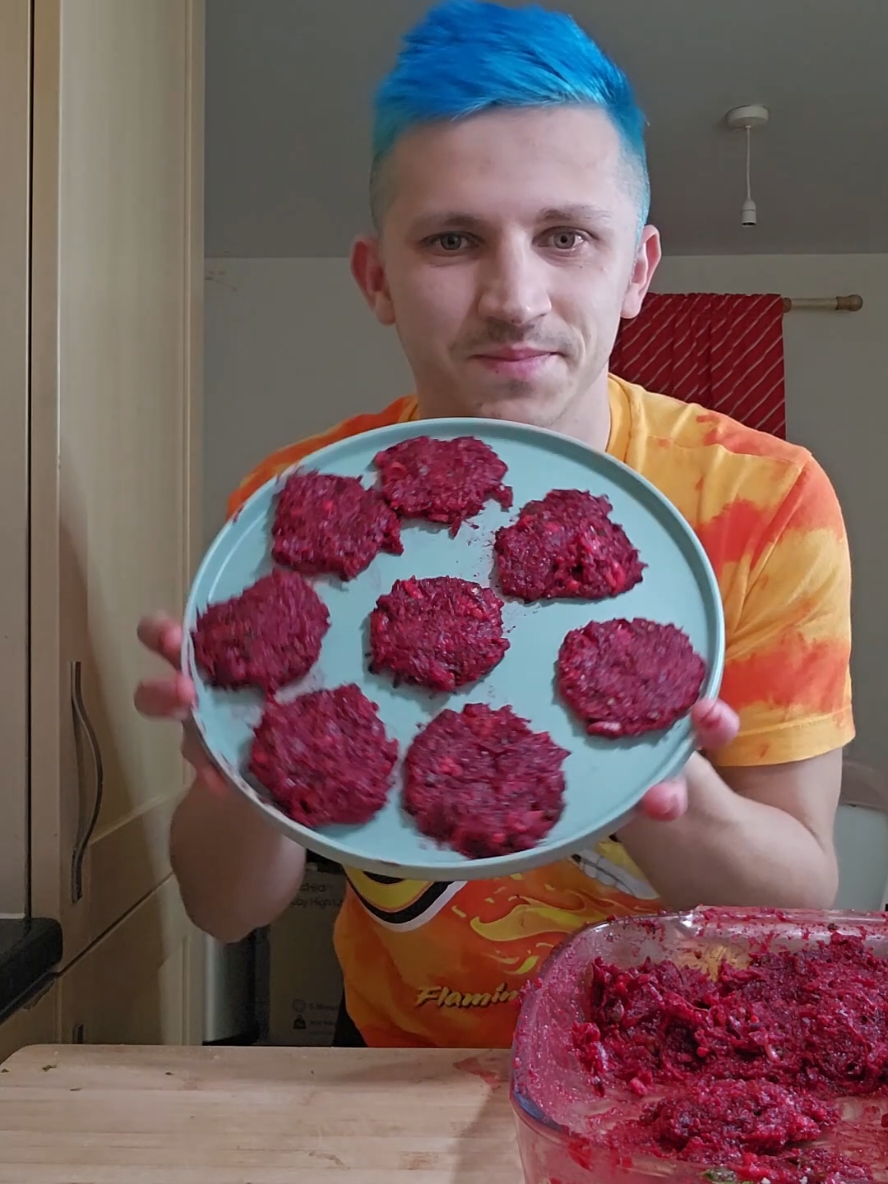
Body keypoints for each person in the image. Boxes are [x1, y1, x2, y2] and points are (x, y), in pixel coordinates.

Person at [135, 1, 853, 1049]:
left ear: (639, 268)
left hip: (663, 1062)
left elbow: (802, 904)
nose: (515, 297)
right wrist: (242, 769)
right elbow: (224, 906)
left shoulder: (764, 501)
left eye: (565, 235)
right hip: (391, 1068)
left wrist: (656, 775)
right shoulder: (294, 507)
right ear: (376, 278)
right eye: (453, 239)